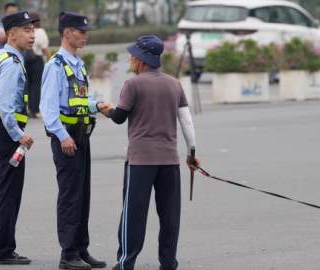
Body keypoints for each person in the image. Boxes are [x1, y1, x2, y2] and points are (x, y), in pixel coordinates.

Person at [99, 35, 200, 270]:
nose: (131, 59)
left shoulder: (132, 85)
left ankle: (126, 263)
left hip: (140, 161)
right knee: (169, 216)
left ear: (142, 59)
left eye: (133, 55)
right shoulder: (174, 84)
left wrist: (106, 110)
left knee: (133, 215)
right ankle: (168, 263)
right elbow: (187, 122)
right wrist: (191, 153)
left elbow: (119, 118)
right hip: (169, 161)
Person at [39, 11, 109, 270]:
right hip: (66, 139)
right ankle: (68, 254)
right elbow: (48, 109)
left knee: (82, 195)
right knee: (70, 196)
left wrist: (97, 105)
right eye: (81, 31)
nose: (85, 35)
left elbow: (76, 100)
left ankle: (81, 248)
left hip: (81, 137)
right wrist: (62, 135)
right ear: (67, 32)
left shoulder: (76, 64)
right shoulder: (55, 65)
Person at [0, 11, 37, 265]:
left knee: (0, 192)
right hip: (6, 136)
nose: (32, 34)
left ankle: (1, 246)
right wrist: (19, 135)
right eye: (27, 30)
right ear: (11, 34)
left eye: (33, 29)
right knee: (8, 194)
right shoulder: (12, 63)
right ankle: (2, 250)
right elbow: (5, 105)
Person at [24, 12, 50, 118]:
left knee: (29, 86)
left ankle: (29, 109)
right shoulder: (40, 32)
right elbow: (44, 48)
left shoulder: (26, 31)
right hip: (37, 60)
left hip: (26, 60)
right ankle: (35, 110)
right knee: (36, 85)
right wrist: (50, 59)